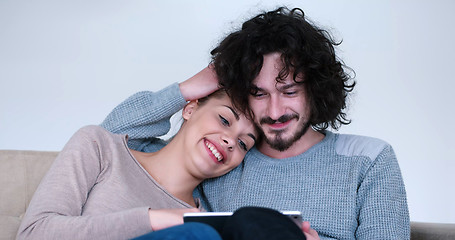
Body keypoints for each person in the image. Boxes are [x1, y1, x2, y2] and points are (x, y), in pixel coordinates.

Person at [100, 6, 410, 239]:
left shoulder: (368, 159)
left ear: (315, 89)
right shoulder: (224, 155)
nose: (275, 111)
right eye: (259, 94)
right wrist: (186, 90)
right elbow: (112, 141)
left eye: (289, 91)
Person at [16, 84, 259, 239]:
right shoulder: (101, 147)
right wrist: (155, 219)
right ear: (190, 110)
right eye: (225, 120)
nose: (230, 141)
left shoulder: (204, 219)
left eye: (242, 144)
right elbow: (34, 233)